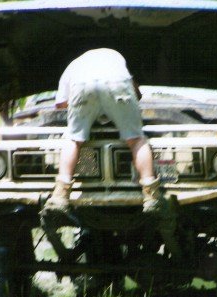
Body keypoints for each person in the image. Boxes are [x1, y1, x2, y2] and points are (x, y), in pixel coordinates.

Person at [44, 48, 163, 215]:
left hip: (82, 84)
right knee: (136, 140)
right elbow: (136, 93)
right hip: (117, 82)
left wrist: (86, 112)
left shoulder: (74, 65)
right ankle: (151, 195)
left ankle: (60, 195)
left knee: (73, 140)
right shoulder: (116, 58)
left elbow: (61, 105)